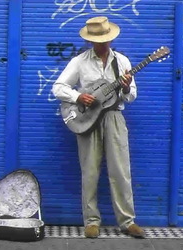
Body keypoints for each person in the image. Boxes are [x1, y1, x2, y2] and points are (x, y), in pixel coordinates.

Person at [52, 16, 145, 239]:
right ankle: (91, 221)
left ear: (111, 38)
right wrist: (77, 96)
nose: (102, 44)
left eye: (105, 39)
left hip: (114, 117)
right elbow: (58, 88)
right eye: (97, 40)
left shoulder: (122, 61)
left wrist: (123, 88)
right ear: (90, 41)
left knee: (120, 171)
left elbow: (131, 95)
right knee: (90, 171)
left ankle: (127, 221)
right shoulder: (80, 61)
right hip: (87, 121)